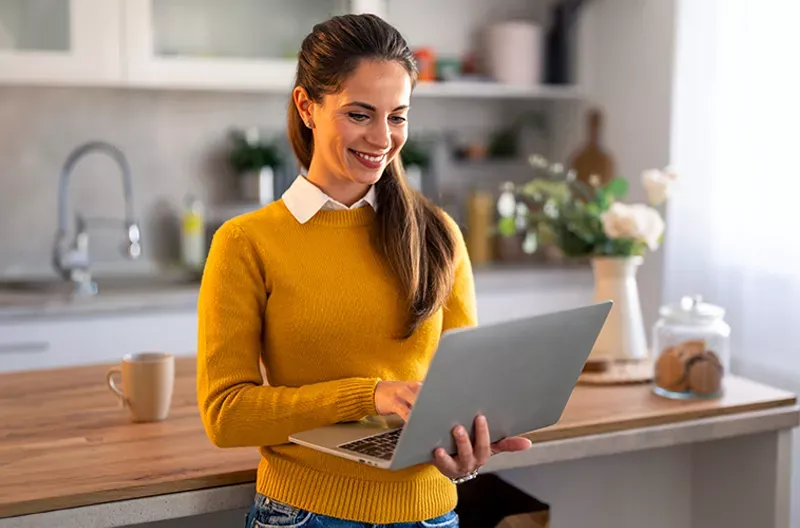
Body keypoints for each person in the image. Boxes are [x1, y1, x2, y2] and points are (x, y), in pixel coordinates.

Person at [197, 13, 532, 528]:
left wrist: (468, 451)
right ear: (307, 106)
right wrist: (369, 393)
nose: (382, 138)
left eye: (397, 116)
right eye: (360, 114)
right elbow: (227, 414)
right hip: (307, 517)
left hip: (430, 517)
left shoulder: (437, 235)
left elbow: (460, 392)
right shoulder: (246, 243)